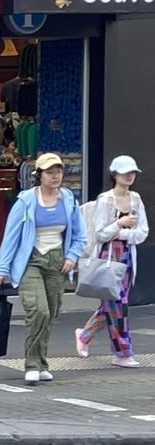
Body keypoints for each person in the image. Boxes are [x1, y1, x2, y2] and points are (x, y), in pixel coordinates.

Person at [0, 152, 86, 385]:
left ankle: (42, 362)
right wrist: (2, 268)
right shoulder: (26, 201)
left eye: (58, 171)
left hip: (58, 262)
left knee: (51, 312)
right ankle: (32, 364)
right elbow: (11, 236)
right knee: (38, 311)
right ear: (39, 175)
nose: (55, 176)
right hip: (30, 261)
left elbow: (80, 235)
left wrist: (72, 257)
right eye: (50, 172)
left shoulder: (67, 199)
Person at [76, 155, 148, 367]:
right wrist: (120, 224)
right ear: (114, 175)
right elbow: (101, 234)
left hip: (127, 256)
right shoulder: (105, 200)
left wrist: (123, 234)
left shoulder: (136, 199)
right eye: (125, 172)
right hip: (108, 257)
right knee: (118, 304)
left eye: (132, 172)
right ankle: (123, 352)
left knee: (112, 303)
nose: (129, 176)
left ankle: (84, 335)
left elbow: (142, 232)